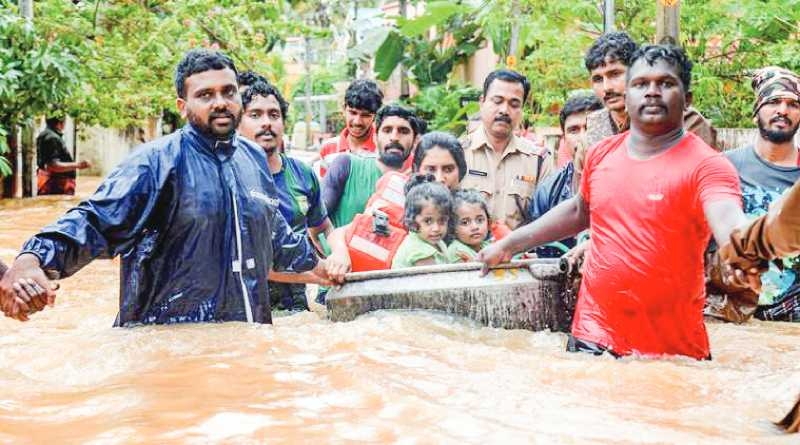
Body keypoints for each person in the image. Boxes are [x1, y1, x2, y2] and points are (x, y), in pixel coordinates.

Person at [0, 49, 338, 325]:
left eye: (228, 92)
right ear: (182, 106)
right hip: (168, 346)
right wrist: (32, 259)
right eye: (205, 95)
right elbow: (93, 221)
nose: (220, 102)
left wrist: (324, 268)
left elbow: (274, 234)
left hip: (246, 346)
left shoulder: (252, 158)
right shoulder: (157, 163)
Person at [478, 44, 749, 360]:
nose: (651, 92)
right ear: (629, 95)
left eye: (666, 83)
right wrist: (509, 244)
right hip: (591, 335)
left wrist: (749, 243)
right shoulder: (601, 153)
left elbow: (729, 220)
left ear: (686, 99)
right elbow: (580, 210)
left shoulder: (708, 165)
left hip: (671, 353)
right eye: (640, 84)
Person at [708, 66, 800, 323]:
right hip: (730, 313)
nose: (783, 110)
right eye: (773, 101)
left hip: (792, 320)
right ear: (757, 110)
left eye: (793, 104)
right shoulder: (722, 166)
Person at [237, 79, 334, 311]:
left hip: (298, 305)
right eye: (255, 115)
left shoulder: (302, 174)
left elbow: (322, 229)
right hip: (249, 304)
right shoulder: (230, 179)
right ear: (237, 124)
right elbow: (247, 261)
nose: (266, 123)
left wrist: (338, 255)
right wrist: (317, 275)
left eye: (274, 115)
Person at [324, 131, 467, 279]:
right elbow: (338, 233)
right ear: (416, 170)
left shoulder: (471, 209)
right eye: (430, 169)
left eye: (448, 169)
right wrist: (340, 253)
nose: (439, 178)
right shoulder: (403, 201)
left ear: (461, 171)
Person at [583, 31, 717, 149]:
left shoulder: (683, 120)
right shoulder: (593, 126)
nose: (607, 87)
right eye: (598, 79)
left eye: (615, 74)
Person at [460, 69, 553, 230]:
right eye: (497, 101)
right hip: (466, 254)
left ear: (521, 110)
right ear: (482, 103)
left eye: (514, 104)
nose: (504, 110)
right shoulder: (457, 154)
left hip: (519, 253)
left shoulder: (539, 160)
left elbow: (548, 219)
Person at [527, 92, 602, 258]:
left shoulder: (627, 177)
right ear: (564, 138)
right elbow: (541, 254)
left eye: (589, 128)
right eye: (574, 130)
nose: (583, 137)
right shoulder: (548, 190)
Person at [322, 104, 421, 228]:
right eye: (387, 130)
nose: (394, 137)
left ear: (416, 140)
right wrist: (337, 245)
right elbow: (316, 219)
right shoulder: (347, 165)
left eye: (403, 131)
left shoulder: (419, 185)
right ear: (375, 137)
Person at [316, 79, 383, 176]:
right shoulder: (328, 148)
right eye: (353, 112)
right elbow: (325, 189)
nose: (357, 121)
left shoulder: (383, 149)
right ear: (344, 109)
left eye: (365, 115)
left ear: (375, 116)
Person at [391, 175, 452, 269]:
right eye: (428, 221)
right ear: (412, 220)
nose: (436, 228)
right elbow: (437, 281)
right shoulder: (418, 251)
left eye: (442, 220)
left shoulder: (436, 242)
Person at [36, 117, 91, 195]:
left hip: (49, 182)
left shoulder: (44, 135)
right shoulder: (52, 138)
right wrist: (78, 165)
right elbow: (53, 165)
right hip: (56, 184)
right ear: (60, 124)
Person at [447, 189, 492, 263]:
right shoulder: (457, 251)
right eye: (465, 223)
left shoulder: (487, 246)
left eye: (480, 220)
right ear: (454, 227)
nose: (474, 227)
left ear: (489, 222)